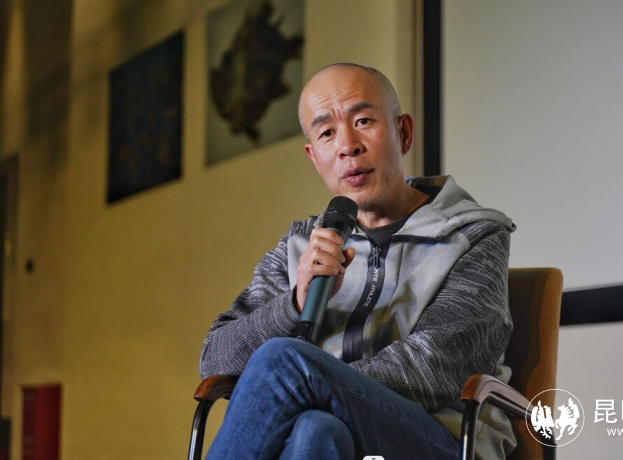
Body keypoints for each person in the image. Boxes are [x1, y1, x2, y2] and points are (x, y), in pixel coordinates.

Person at [200, 63, 517, 460]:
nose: (347, 145)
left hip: (441, 439)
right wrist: (294, 303)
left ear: (403, 133)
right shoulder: (301, 245)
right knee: (315, 431)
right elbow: (215, 361)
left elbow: (435, 368)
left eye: (363, 121)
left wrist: (313, 379)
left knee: (285, 363)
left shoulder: (474, 234)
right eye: (327, 133)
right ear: (315, 158)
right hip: (335, 428)